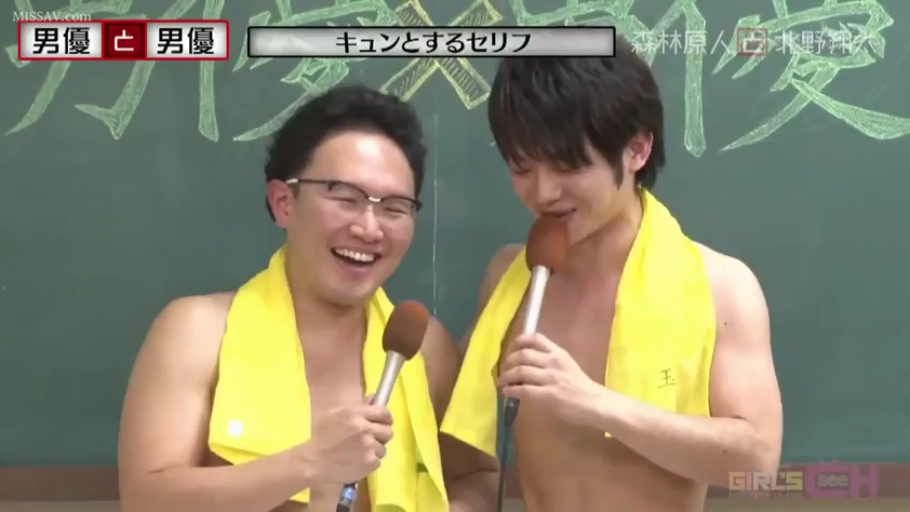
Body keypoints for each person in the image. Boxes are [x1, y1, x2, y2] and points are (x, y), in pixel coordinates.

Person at [441, 40, 784, 511]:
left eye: (567, 165)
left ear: (636, 149)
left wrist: (594, 403)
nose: (543, 192)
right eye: (522, 168)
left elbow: (758, 464)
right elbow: (462, 447)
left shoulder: (720, 286)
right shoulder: (511, 279)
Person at [118, 85, 493, 512]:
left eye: (394, 207)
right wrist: (308, 464)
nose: (369, 229)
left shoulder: (422, 348)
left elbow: (476, 478)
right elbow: (146, 499)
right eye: (345, 198)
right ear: (283, 202)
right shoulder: (198, 331)